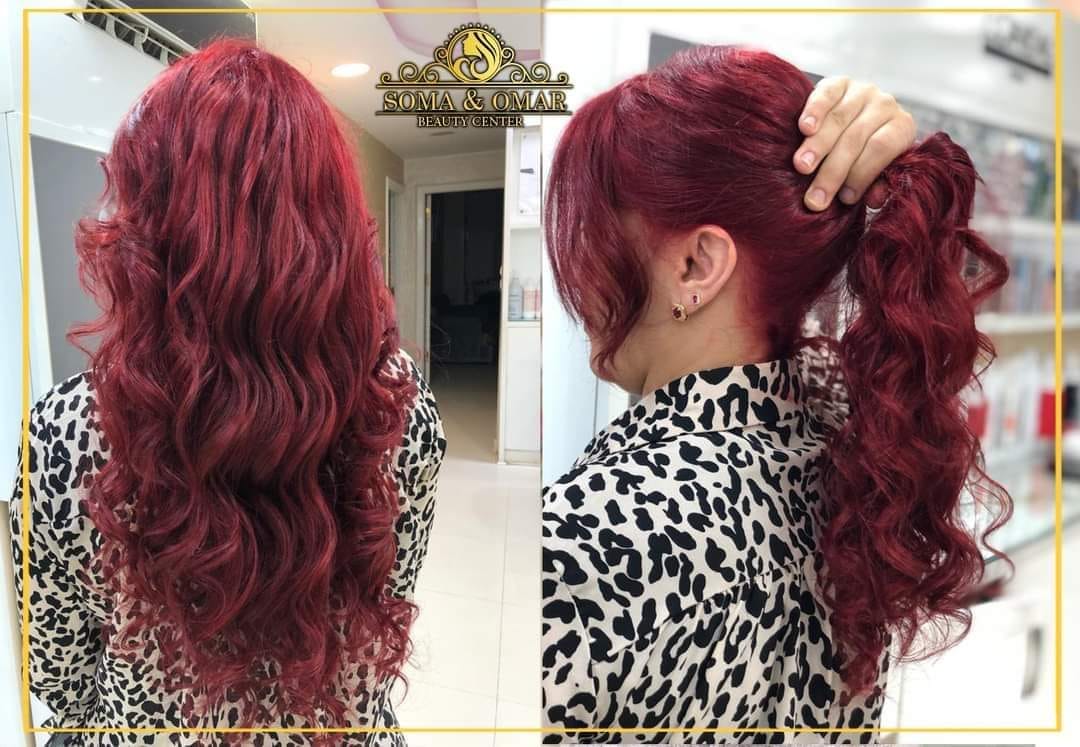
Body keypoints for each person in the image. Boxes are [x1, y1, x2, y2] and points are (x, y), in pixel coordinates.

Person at [540, 45, 1010, 743]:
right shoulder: (856, 446)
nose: (576, 273)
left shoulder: (586, 539)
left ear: (697, 265)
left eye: (593, 234)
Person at [10, 39, 445, 745]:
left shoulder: (66, 432)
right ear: (331, 228)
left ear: (150, 230)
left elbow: (58, 673)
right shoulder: (401, 409)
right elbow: (387, 593)